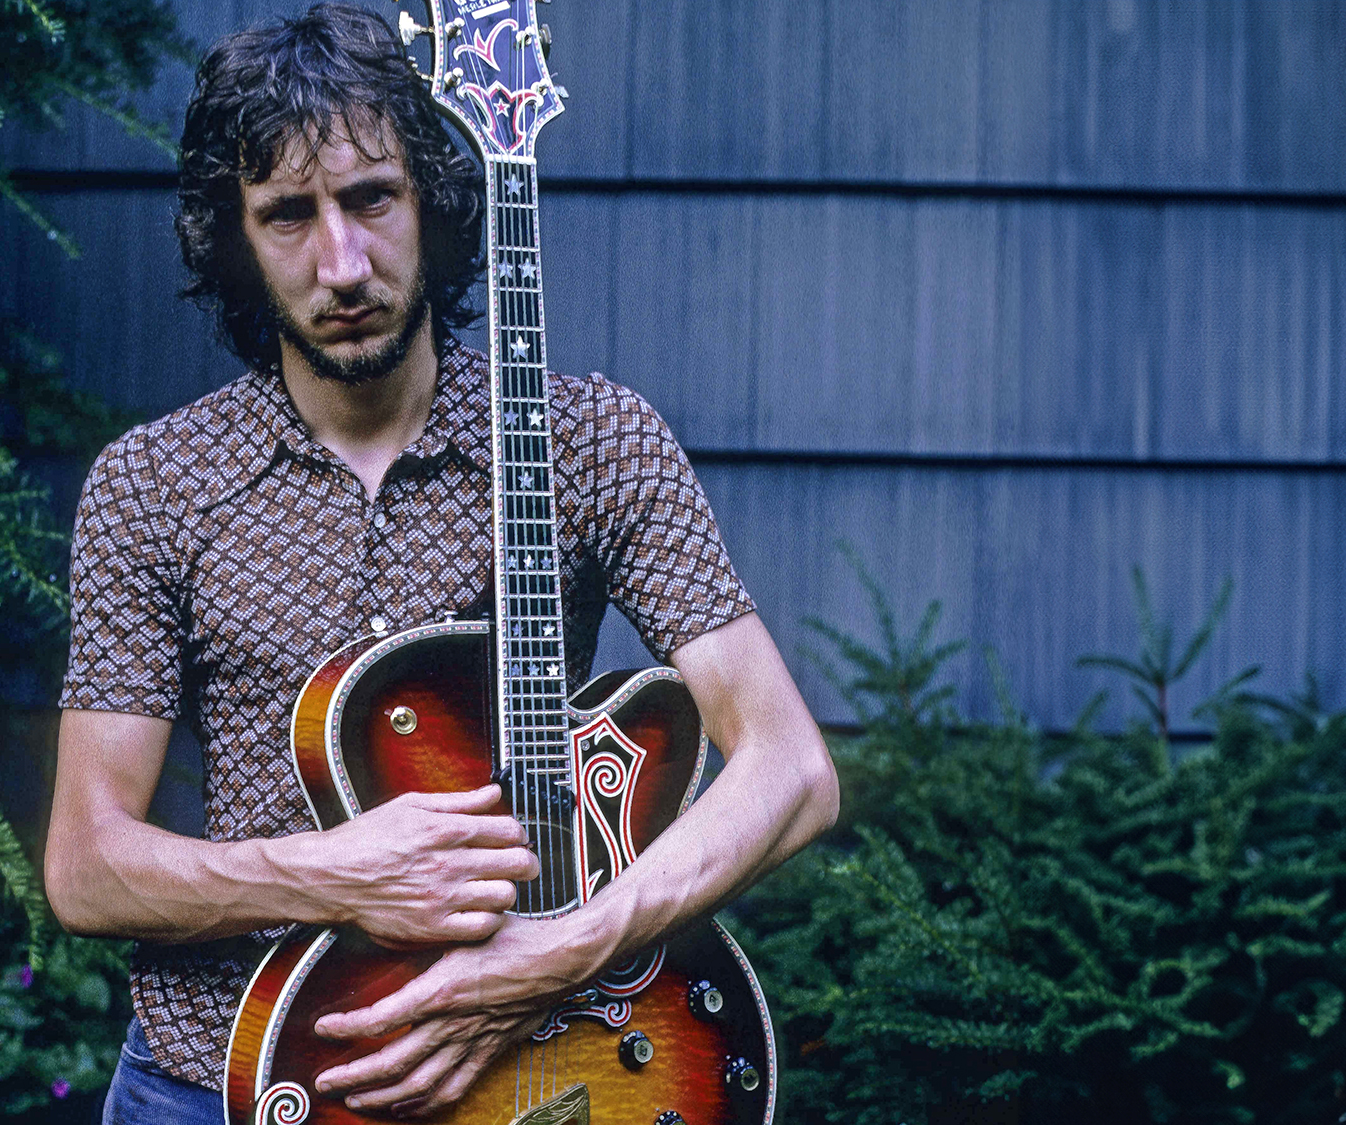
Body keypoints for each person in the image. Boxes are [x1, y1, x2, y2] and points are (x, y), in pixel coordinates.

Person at [42, 5, 840, 1122]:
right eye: (287, 215)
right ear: (236, 240)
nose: (342, 262)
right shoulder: (155, 484)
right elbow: (85, 865)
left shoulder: (589, 441)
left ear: (433, 198)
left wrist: (564, 950)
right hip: (213, 1081)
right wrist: (336, 872)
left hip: (536, 1070)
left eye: (372, 197)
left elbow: (792, 771)